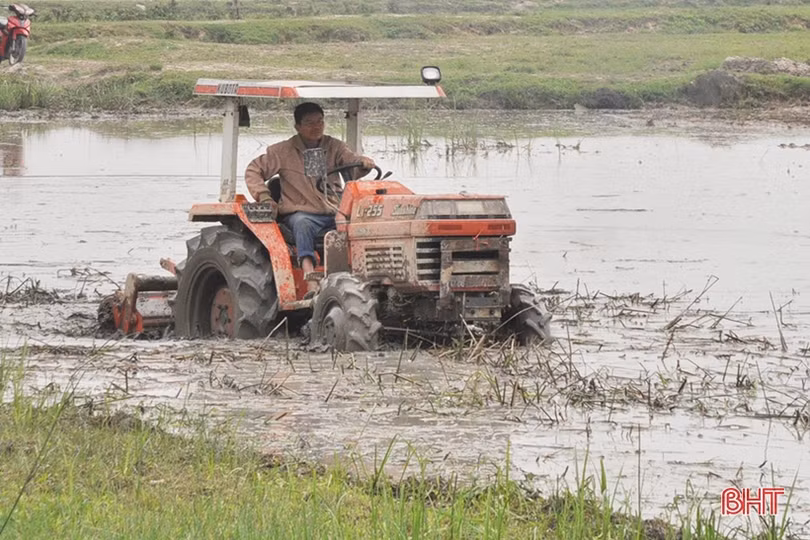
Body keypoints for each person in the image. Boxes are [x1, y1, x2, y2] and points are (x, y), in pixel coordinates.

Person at [244, 102, 376, 295]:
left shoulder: (334, 147)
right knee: (303, 223)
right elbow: (253, 170)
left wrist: (363, 163)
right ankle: (310, 278)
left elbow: (351, 163)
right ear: (297, 126)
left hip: (333, 210)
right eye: (309, 123)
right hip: (300, 211)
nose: (316, 127)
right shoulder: (281, 151)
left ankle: (363, 274)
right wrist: (265, 197)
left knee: (362, 222)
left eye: (320, 122)